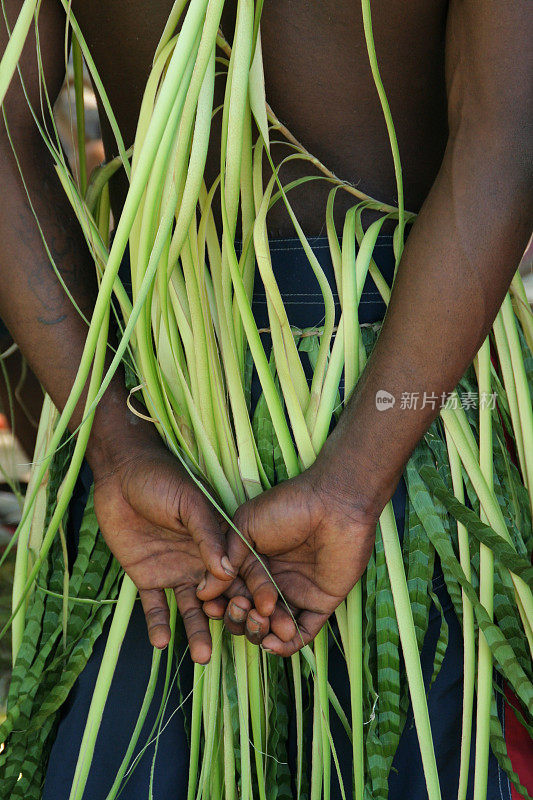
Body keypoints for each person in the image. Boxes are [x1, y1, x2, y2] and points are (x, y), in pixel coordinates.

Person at [1, 1, 531, 798]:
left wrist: (111, 439)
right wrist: (356, 482)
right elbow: (506, 130)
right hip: (414, 382)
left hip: (151, 374)